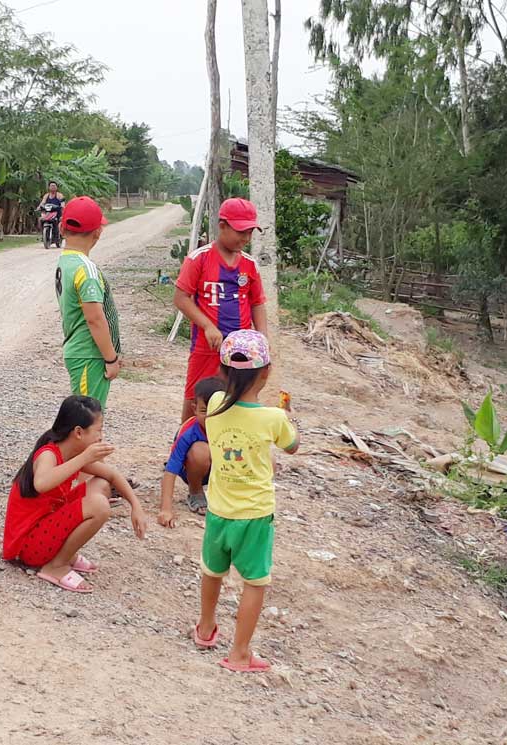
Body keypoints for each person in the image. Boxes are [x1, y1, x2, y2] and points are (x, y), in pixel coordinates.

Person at [192, 330, 298, 673]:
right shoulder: (273, 418)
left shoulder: (214, 410)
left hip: (219, 509)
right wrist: (286, 415)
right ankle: (239, 653)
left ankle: (206, 628)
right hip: (255, 514)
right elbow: (292, 446)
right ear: (266, 373)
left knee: (212, 570)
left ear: (223, 373)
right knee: (255, 581)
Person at [3, 396, 148, 593]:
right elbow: (42, 483)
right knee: (99, 506)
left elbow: (112, 475)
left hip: (46, 524)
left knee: (102, 484)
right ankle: (56, 566)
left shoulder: (72, 453)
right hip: (27, 546)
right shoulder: (49, 454)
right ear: (78, 432)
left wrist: (136, 506)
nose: (101, 437)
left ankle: (63, 555)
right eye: (98, 431)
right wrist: (84, 458)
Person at [173, 198, 269, 425]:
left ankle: (230, 445)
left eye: (250, 233)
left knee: (239, 396)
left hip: (241, 349)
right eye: (241, 232)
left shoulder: (249, 265)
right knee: (196, 398)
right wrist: (207, 325)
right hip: (207, 346)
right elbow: (180, 298)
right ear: (223, 226)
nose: (245, 238)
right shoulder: (199, 259)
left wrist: (262, 337)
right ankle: (183, 445)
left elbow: (257, 302)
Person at [53, 196, 120, 406]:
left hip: (80, 352)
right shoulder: (86, 269)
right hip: (89, 355)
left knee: (87, 420)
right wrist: (111, 358)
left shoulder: (66, 261)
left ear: (62, 229)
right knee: (87, 421)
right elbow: (95, 318)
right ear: (98, 232)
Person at [158, 377, 227, 524]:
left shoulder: (232, 426)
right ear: (194, 408)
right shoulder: (189, 431)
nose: (210, 417)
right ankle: (195, 492)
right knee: (200, 451)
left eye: (217, 411)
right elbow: (170, 470)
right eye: (204, 411)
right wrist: (166, 509)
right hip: (194, 469)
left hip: (223, 470)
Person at [38, 181, 65, 248]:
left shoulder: (59, 195)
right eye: (51, 186)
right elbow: (42, 202)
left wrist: (62, 207)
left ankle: (57, 237)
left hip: (57, 213)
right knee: (41, 220)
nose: (53, 187)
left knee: (56, 222)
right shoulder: (46, 195)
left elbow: (63, 204)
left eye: (54, 186)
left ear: (56, 187)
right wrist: (39, 207)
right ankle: (43, 235)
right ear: (49, 187)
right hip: (48, 213)